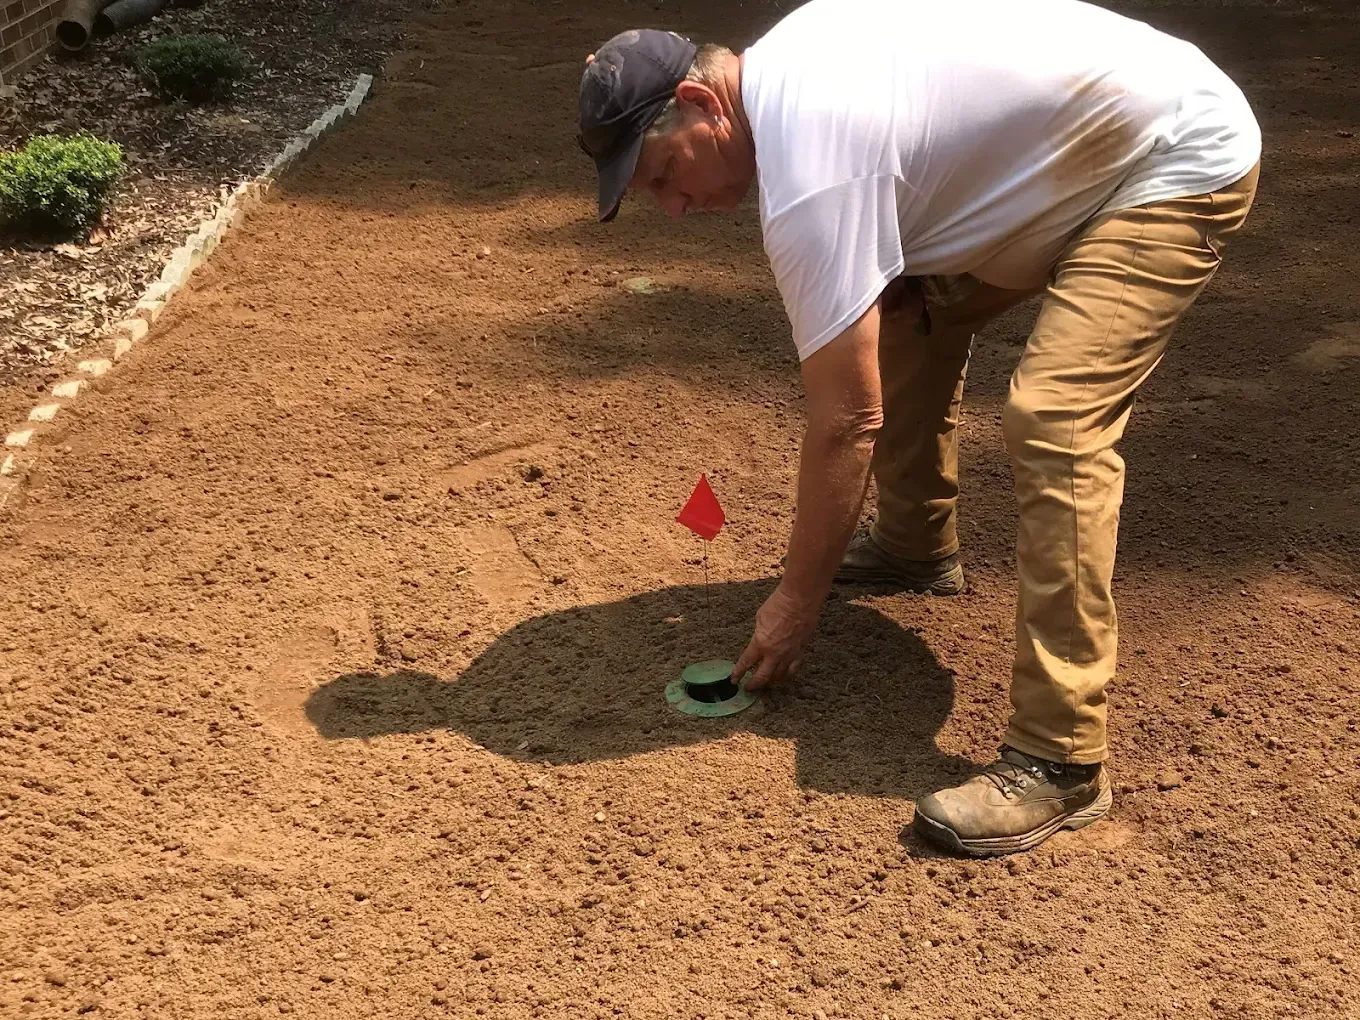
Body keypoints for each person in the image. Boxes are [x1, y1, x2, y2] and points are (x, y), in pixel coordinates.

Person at [575, 0, 1260, 856]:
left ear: (704, 102)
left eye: (666, 174)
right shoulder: (785, 68)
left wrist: (797, 601)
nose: (674, 208)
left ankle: (1061, 757)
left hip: (1171, 159)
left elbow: (848, 420)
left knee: (1057, 420)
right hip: (1083, 147)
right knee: (899, 305)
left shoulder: (812, 168)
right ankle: (913, 542)